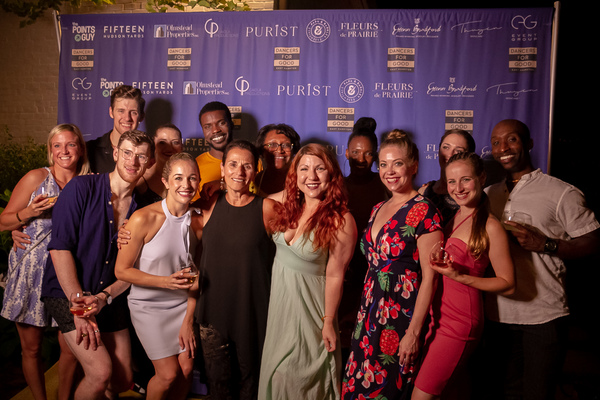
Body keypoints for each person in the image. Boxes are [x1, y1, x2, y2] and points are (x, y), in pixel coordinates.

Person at [481, 119, 600, 400]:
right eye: (496, 142)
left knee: (537, 393)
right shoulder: (487, 195)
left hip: (543, 316)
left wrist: (545, 244)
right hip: (497, 315)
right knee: (503, 392)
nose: (503, 148)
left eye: (512, 139)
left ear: (529, 143)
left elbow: (593, 242)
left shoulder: (561, 193)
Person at [41, 130, 154, 400]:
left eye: (141, 156)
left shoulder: (147, 208)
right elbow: (60, 248)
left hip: (109, 294)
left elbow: (137, 268)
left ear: (149, 163)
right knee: (100, 372)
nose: (133, 161)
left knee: (123, 378)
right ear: (115, 154)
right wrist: (80, 307)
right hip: (68, 292)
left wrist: (105, 297)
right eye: (127, 153)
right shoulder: (81, 188)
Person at [342, 130, 443, 400]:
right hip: (369, 312)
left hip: (400, 317)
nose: (389, 171)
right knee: (360, 383)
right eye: (383, 164)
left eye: (397, 163)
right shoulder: (378, 208)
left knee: (387, 388)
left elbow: (430, 279)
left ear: (414, 165)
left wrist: (413, 333)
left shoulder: (425, 211)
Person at [412, 152, 515, 400]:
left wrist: (460, 276)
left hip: (459, 322)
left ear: (481, 178)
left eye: (465, 180)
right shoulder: (455, 215)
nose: (458, 188)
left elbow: (508, 284)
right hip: (438, 316)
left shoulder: (490, 226)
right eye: (451, 181)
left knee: (422, 395)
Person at [258, 144, 357, 399]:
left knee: (299, 379)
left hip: (311, 313)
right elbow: (253, 200)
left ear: (331, 174)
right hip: (282, 308)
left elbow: (336, 275)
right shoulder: (287, 202)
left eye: (319, 168)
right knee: (276, 374)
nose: (311, 176)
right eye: (304, 169)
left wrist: (328, 323)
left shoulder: (341, 220)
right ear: (295, 173)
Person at [0, 124, 89, 400]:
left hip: (69, 272)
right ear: (50, 151)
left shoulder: (89, 182)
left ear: (80, 149)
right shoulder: (36, 177)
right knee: (32, 348)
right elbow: (3, 220)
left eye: (71, 144)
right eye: (57, 145)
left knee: (71, 345)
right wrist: (27, 213)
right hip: (30, 270)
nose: (64, 151)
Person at [195, 139, 279, 400]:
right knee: (218, 387)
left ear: (256, 171)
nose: (238, 172)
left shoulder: (267, 209)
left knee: (250, 385)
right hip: (213, 316)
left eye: (246, 166)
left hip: (254, 313)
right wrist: (130, 227)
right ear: (222, 169)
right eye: (232, 164)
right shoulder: (207, 205)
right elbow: (167, 219)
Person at [115, 152, 203, 400]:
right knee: (167, 375)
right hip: (148, 307)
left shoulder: (198, 221)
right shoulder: (144, 217)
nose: (186, 185)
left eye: (192, 178)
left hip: (183, 306)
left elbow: (197, 276)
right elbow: (121, 270)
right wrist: (166, 282)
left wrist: (188, 320)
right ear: (165, 182)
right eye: (178, 178)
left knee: (186, 369)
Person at [339, 117, 388, 359]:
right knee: (342, 335)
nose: (361, 158)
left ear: (375, 156)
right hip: (343, 272)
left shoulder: (386, 186)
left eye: (368, 153)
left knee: (371, 336)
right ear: (346, 153)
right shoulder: (335, 186)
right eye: (356, 152)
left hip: (374, 272)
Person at [418, 129, 476, 226]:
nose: (450, 154)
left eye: (458, 150)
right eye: (446, 147)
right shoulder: (423, 192)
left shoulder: (471, 195)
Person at [86, 84, 145, 173]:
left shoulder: (148, 153)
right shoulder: (89, 150)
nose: (127, 118)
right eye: (121, 111)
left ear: (141, 116)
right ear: (111, 112)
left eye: (133, 112)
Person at [135, 123, 184, 208]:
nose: (169, 148)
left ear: (182, 146)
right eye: (162, 142)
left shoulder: (186, 178)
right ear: (153, 144)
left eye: (175, 142)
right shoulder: (140, 177)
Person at [192, 101, 234, 198]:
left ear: (231, 124)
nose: (215, 130)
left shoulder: (252, 161)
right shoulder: (195, 166)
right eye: (208, 127)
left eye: (221, 123)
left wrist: (224, 185)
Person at [253, 123, 301, 197]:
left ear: (293, 151)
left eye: (286, 145)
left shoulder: (302, 181)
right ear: (261, 151)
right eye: (272, 145)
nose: (279, 150)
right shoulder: (252, 181)